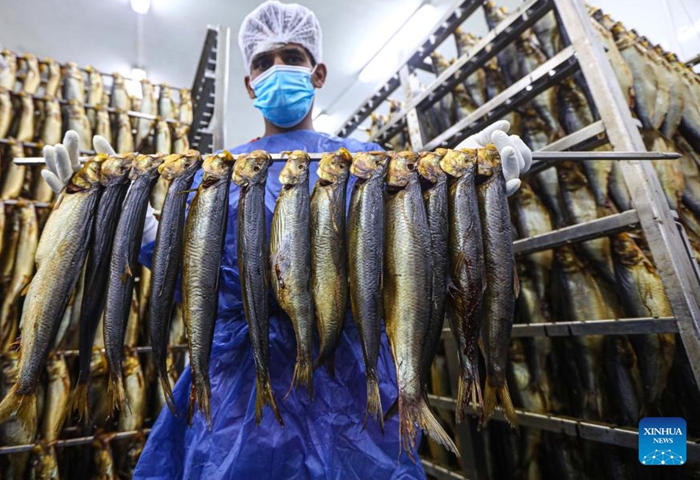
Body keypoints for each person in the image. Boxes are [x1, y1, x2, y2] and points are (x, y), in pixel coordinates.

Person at [41, 2, 532, 478]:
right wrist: (140, 227)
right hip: (241, 402)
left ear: (317, 74)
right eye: (263, 61)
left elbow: (411, 262)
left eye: (292, 57)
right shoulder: (221, 173)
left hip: (353, 396)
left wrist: (462, 191)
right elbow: (199, 278)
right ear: (250, 83)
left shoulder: (370, 164)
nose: (278, 69)